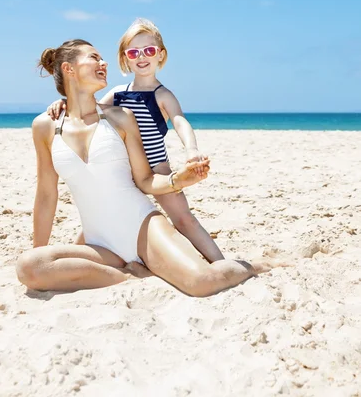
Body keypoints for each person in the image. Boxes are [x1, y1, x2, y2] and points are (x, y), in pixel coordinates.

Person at [17, 39, 284, 297]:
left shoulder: (120, 117)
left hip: (143, 229)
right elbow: (46, 195)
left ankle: (255, 266)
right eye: (94, 57)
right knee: (29, 267)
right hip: (99, 243)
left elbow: (144, 180)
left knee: (202, 282)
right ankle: (132, 275)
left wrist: (178, 180)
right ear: (69, 69)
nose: (104, 62)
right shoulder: (45, 126)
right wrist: (40, 252)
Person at [48, 19, 223, 262]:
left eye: (149, 50)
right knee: (97, 219)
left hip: (156, 169)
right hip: (125, 171)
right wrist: (64, 103)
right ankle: (78, 259)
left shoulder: (162, 94)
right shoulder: (118, 94)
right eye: (133, 52)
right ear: (125, 58)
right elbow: (87, 108)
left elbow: (180, 121)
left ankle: (220, 262)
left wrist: (191, 150)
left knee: (184, 219)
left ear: (160, 55)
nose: (142, 56)